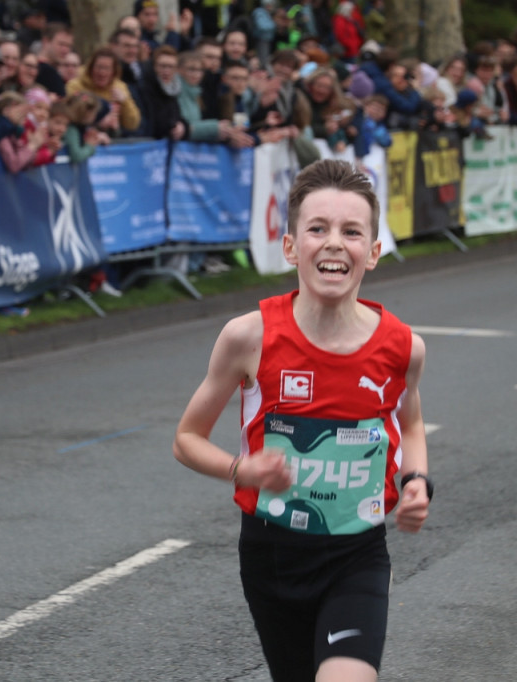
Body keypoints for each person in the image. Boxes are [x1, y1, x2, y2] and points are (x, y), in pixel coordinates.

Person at [173, 158, 431, 682]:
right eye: (318, 229)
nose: (334, 243)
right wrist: (241, 470)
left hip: (358, 552)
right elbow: (186, 438)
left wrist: (417, 480)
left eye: (352, 231)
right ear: (290, 247)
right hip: (273, 555)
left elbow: (411, 423)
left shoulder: (403, 347)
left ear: (373, 251)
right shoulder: (249, 337)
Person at [65, 47, 142, 136]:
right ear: (91, 68)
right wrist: (98, 122)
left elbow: (133, 124)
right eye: (99, 67)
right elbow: (69, 116)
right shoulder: (75, 85)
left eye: (107, 68)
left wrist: (125, 102)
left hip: (112, 139)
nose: (102, 73)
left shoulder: (119, 87)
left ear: (114, 71)